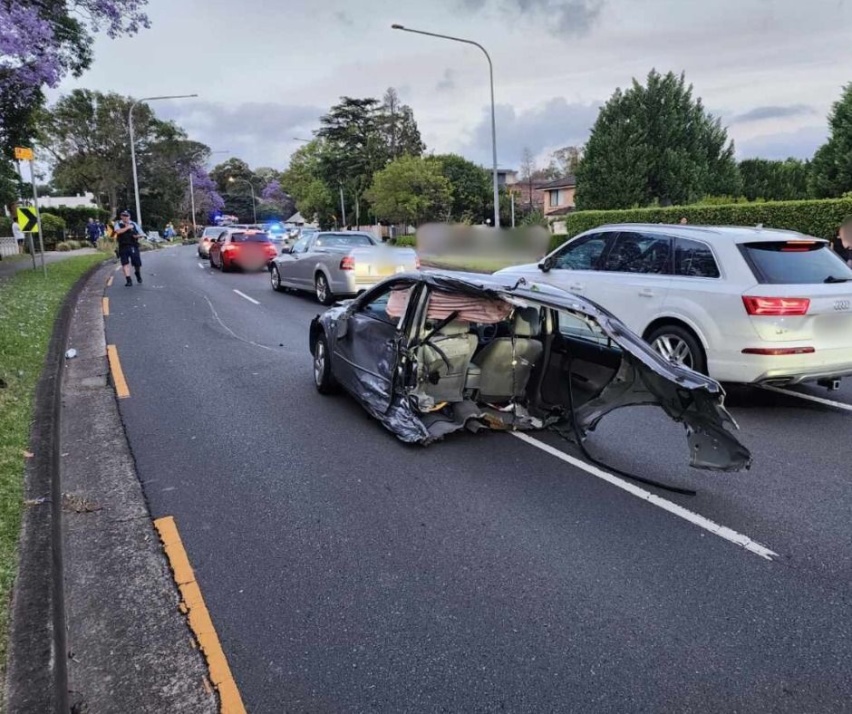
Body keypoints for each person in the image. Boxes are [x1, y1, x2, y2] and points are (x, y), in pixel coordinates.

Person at [114, 210, 144, 286]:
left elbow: (142, 233)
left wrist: (137, 236)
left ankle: (137, 273)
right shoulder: (118, 224)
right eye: (123, 215)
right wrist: (127, 228)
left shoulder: (134, 224)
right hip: (123, 246)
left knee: (137, 263)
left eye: (126, 216)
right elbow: (118, 232)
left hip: (133, 245)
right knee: (125, 263)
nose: (125, 217)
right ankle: (128, 280)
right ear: (121, 216)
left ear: (129, 216)